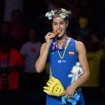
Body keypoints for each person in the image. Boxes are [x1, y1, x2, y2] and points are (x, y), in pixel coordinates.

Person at [35, 8, 90, 105]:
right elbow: (39, 69)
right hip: (53, 96)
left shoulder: (78, 45)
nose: (58, 27)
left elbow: (86, 73)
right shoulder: (45, 46)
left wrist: (73, 86)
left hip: (73, 95)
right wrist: (48, 45)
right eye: (55, 24)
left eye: (61, 23)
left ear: (67, 24)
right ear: (52, 25)